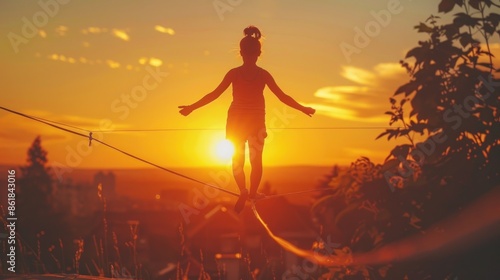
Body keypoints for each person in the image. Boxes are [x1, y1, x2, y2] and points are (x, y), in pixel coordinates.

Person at [179, 26, 315, 213]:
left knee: (237, 159)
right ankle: (252, 192)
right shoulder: (264, 75)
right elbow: (283, 97)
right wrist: (303, 109)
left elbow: (214, 94)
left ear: (241, 53)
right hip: (256, 121)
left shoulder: (234, 73)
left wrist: (191, 108)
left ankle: (242, 190)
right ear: (259, 53)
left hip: (235, 120)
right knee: (256, 159)